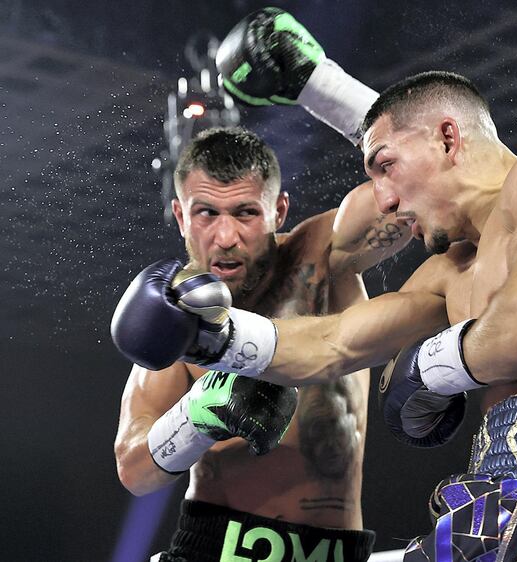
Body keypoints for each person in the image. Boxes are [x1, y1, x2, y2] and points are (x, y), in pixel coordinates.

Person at [113, 28, 517, 562]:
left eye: (387, 168)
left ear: (450, 139)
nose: (387, 202)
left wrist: (427, 368)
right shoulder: (449, 272)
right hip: (497, 499)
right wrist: (214, 339)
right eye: (205, 214)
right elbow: (334, 343)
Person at [113, 9, 421, 562]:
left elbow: (422, 191)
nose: (226, 236)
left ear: (278, 210)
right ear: (181, 217)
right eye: (206, 213)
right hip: (217, 548)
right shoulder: (176, 317)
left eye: (246, 213)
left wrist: (323, 87)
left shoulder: (322, 256)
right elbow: (134, 468)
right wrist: (197, 418)